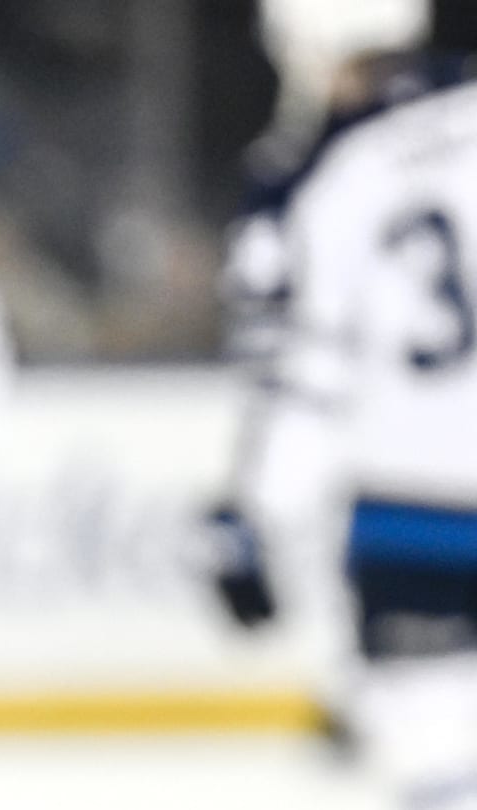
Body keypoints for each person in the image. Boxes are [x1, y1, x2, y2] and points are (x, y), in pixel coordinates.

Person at [209, 3, 477, 804]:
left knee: (436, 767)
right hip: (412, 507)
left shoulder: (340, 173)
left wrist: (254, 516)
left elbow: (307, 379)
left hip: (409, 514)